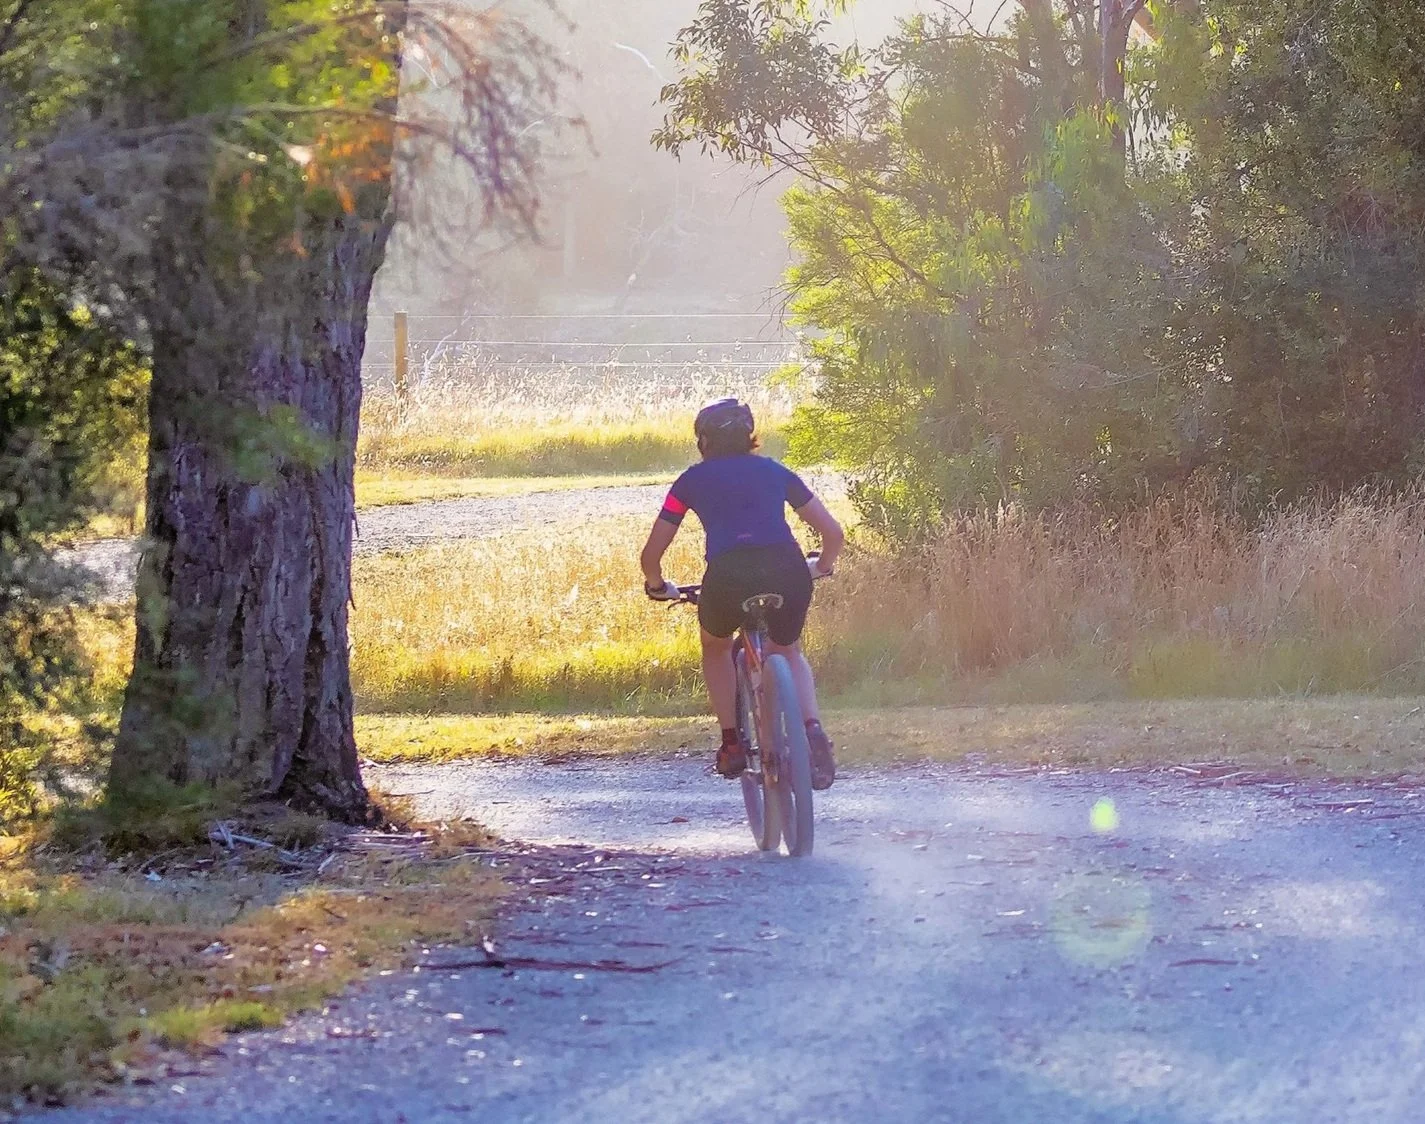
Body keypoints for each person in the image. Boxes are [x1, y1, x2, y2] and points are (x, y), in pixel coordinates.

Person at [639, 397, 844, 788]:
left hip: (728, 576)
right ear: (751, 436)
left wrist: (656, 585)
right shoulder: (775, 471)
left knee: (716, 646)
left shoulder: (689, 482)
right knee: (787, 649)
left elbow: (652, 553)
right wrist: (822, 566)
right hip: (786, 568)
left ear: (703, 442)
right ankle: (814, 732)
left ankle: (732, 742)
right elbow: (833, 534)